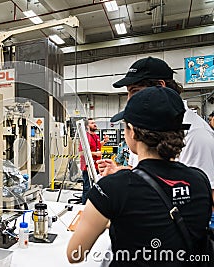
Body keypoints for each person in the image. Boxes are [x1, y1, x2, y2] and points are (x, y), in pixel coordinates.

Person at [67, 86, 212, 266]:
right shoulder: (200, 180)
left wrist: (110, 221)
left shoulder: (112, 189)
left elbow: (75, 254)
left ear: (133, 132)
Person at [97, 57, 214, 197]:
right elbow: (146, 172)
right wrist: (118, 171)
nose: (129, 100)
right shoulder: (145, 126)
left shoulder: (196, 135)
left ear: (160, 85)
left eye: (135, 91)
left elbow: (205, 196)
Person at [79, 118, 108, 204]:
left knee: (95, 188)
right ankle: (84, 206)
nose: (95, 124)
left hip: (96, 167)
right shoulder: (86, 137)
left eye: (94, 123)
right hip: (88, 167)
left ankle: (92, 206)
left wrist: (104, 142)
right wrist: (95, 154)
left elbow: (97, 146)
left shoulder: (96, 136)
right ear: (87, 126)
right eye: (92, 123)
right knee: (87, 188)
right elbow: (81, 152)